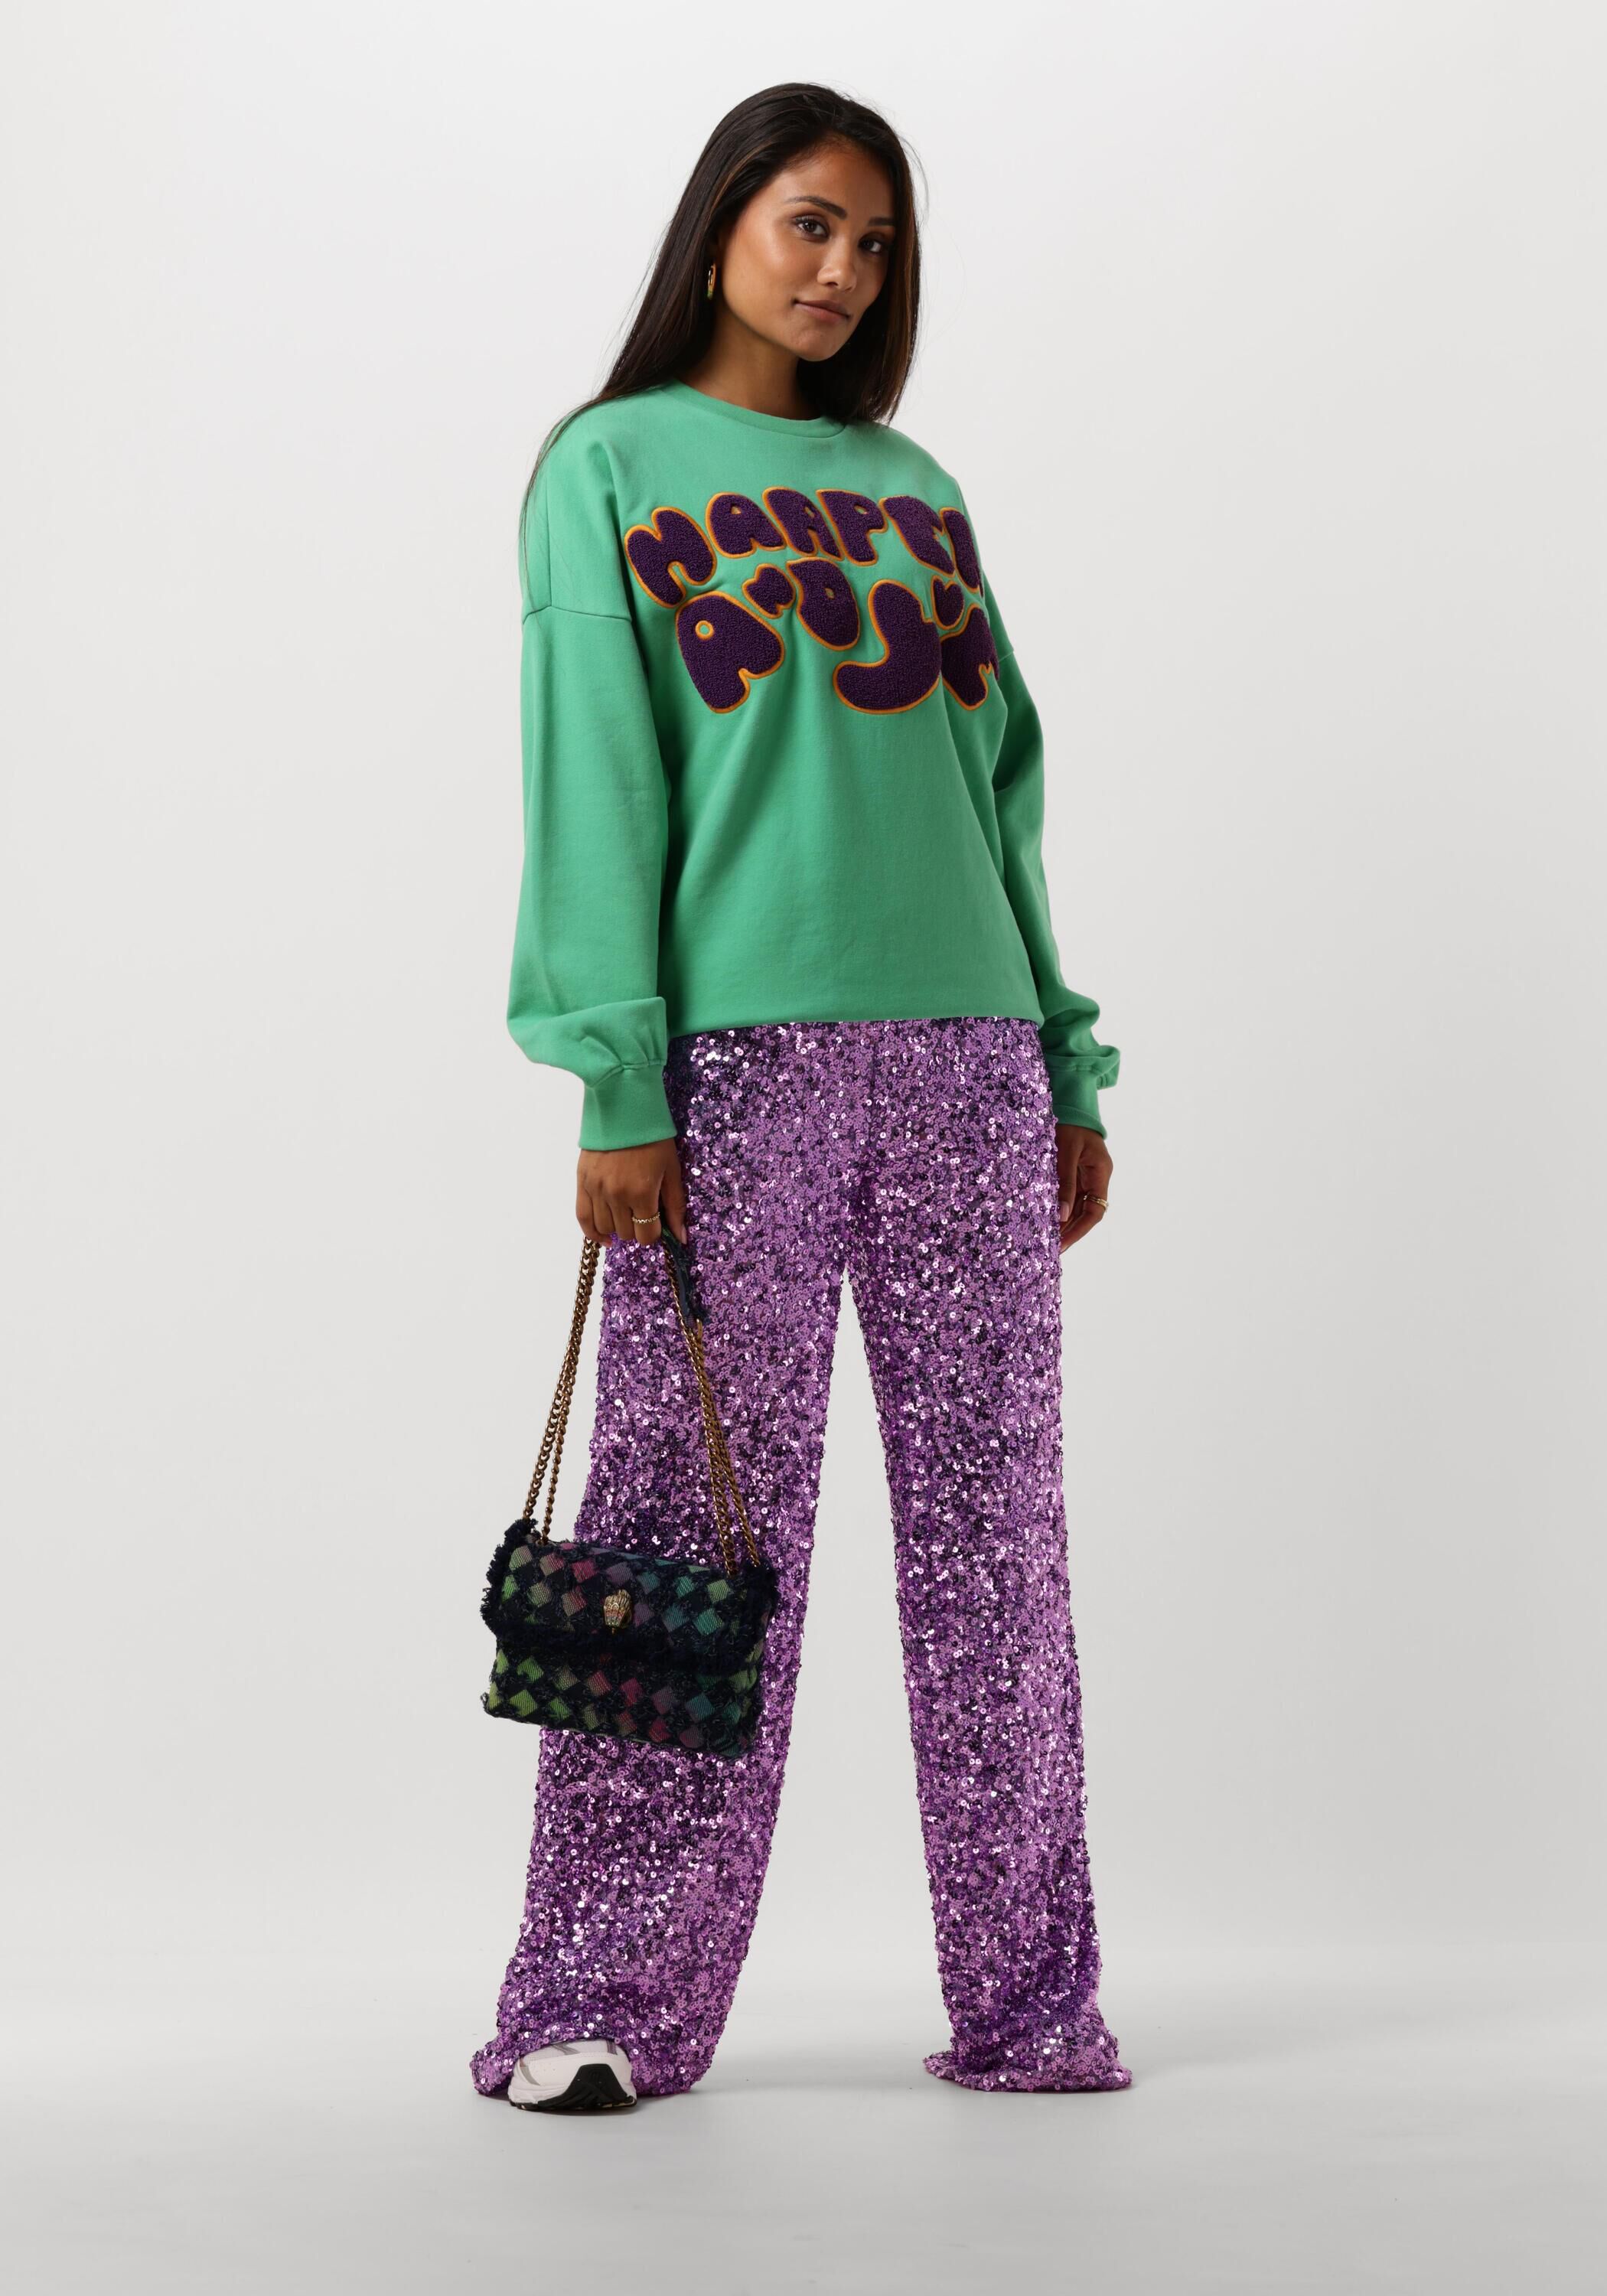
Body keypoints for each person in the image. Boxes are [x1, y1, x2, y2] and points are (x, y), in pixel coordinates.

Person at [472, 80, 1131, 2115]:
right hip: (730, 1074)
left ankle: (1031, 2009)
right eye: (810, 224)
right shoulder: (607, 466)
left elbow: (998, 791)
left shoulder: (916, 489)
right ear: (724, 226)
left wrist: (1063, 1056)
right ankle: (600, 2003)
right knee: (679, 1535)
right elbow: (597, 777)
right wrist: (617, 1080)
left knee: (997, 1550)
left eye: (875, 242)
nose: (842, 269)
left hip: (967, 1066)